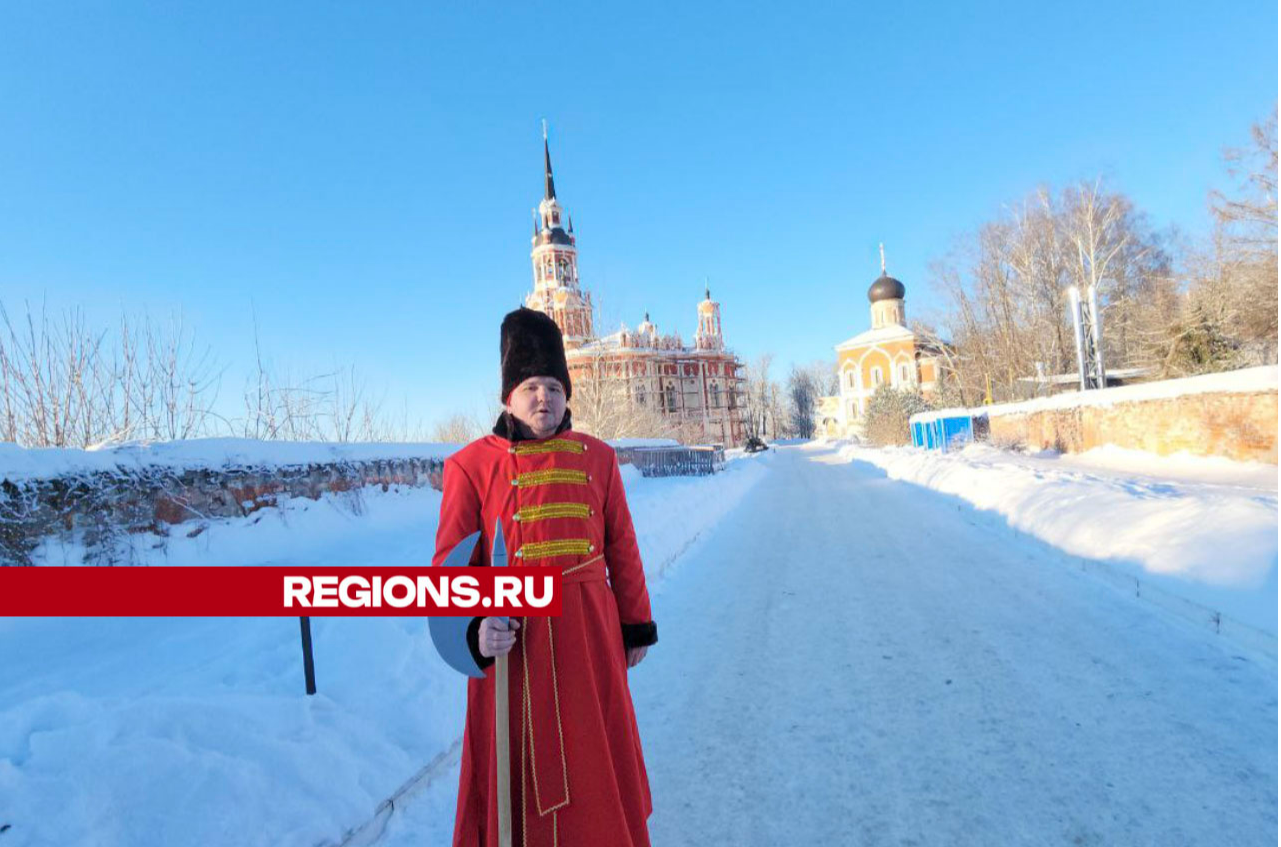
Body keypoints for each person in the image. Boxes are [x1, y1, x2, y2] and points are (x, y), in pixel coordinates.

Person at [433, 307, 658, 847]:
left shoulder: (600, 459)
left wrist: (634, 625)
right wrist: (473, 630)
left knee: (594, 764)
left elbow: (621, 546)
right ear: (507, 396)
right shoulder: (469, 466)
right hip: (513, 652)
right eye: (530, 386)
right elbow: (449, 570)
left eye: (554, 386)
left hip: (588, 642)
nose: (544, 398)